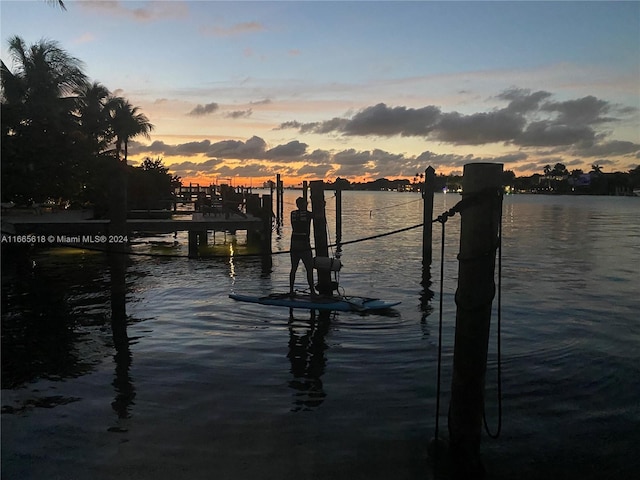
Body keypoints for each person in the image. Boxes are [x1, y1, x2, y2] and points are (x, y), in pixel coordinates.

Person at [290, 197, 316, 296]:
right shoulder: (308, 215)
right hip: (304, 244)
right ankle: (312, 292)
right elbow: (318, 215)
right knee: (309, 268)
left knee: (294, 268)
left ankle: (291, 290)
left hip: (294, 244)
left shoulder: (292, 213)